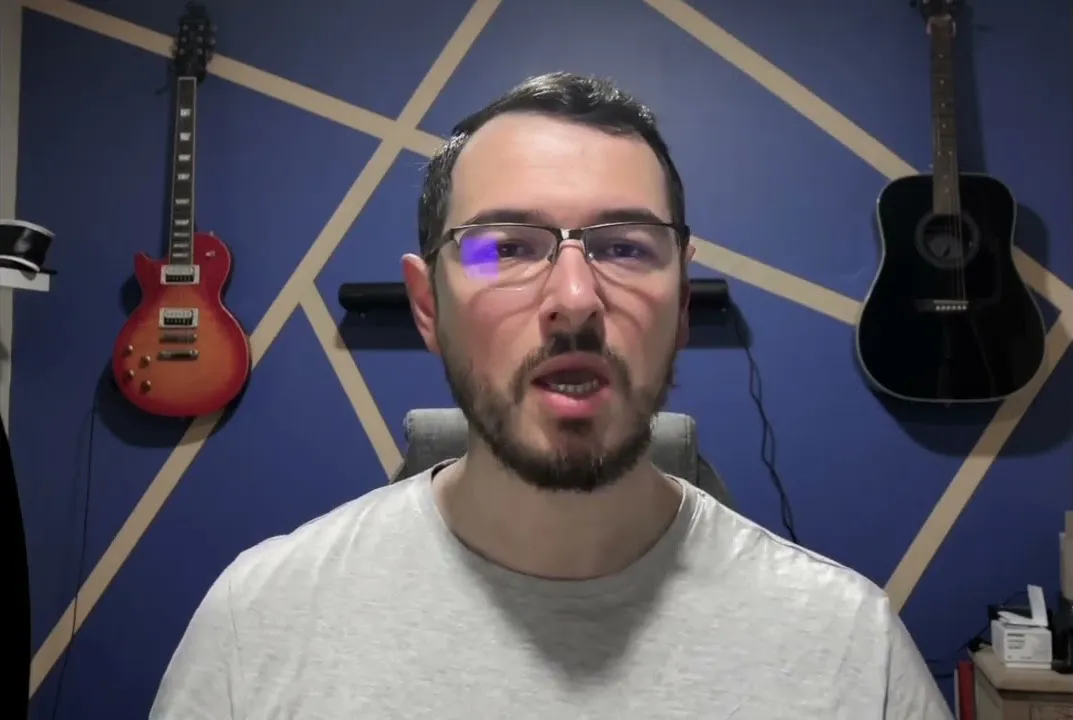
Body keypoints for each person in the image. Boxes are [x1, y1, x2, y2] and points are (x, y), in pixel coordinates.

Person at [149, 72, 952, 719]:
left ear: (681, 301)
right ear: (428, 306)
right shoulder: (259, 624)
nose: (574, 296)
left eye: (626, 248)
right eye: (505, 247)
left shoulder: (848, 649)